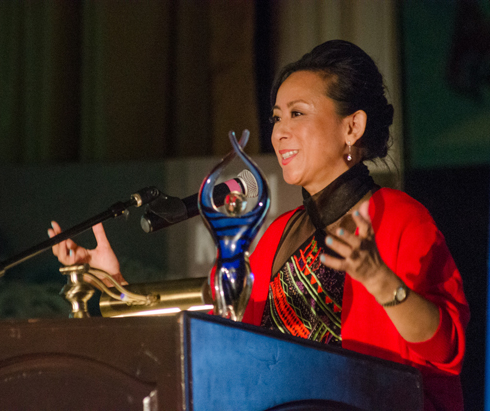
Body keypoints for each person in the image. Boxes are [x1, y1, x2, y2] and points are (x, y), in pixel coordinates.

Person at [48, 40, 469, 411]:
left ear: (352, 127)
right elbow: (216, 331)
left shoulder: (401, 218)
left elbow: (445, 347)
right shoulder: (278, 234)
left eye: (297, 114)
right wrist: (114, 285)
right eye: (277, 118)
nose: (280, 132)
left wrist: (379, 279)